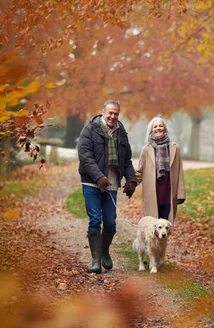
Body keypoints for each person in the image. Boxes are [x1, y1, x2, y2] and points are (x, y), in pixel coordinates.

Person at [77, 100, 137, 273]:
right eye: (110, 112)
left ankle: (104, 251)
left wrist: (131, 179)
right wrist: (98, 177)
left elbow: (126, 159)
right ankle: (95, 261)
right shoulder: (90, 129)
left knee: (110, 223)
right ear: (103, 112)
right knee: (95, 219)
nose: (112, 116)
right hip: (92, 182)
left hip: (111, 183)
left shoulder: (121, 132)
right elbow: (85, 155)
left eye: (116, 113)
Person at [136, 117, 185, 222]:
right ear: (151, 130)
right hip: (152, 195)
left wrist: (181, 193)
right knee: (152, 229)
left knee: (165, 229)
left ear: (165, 128)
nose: (158, 128)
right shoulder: (146, 149)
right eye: (155, 126)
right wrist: (131, 183)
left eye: (160, 125)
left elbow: (180, 171)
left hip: (168, 194)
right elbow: (140, 171)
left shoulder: (175, 148)